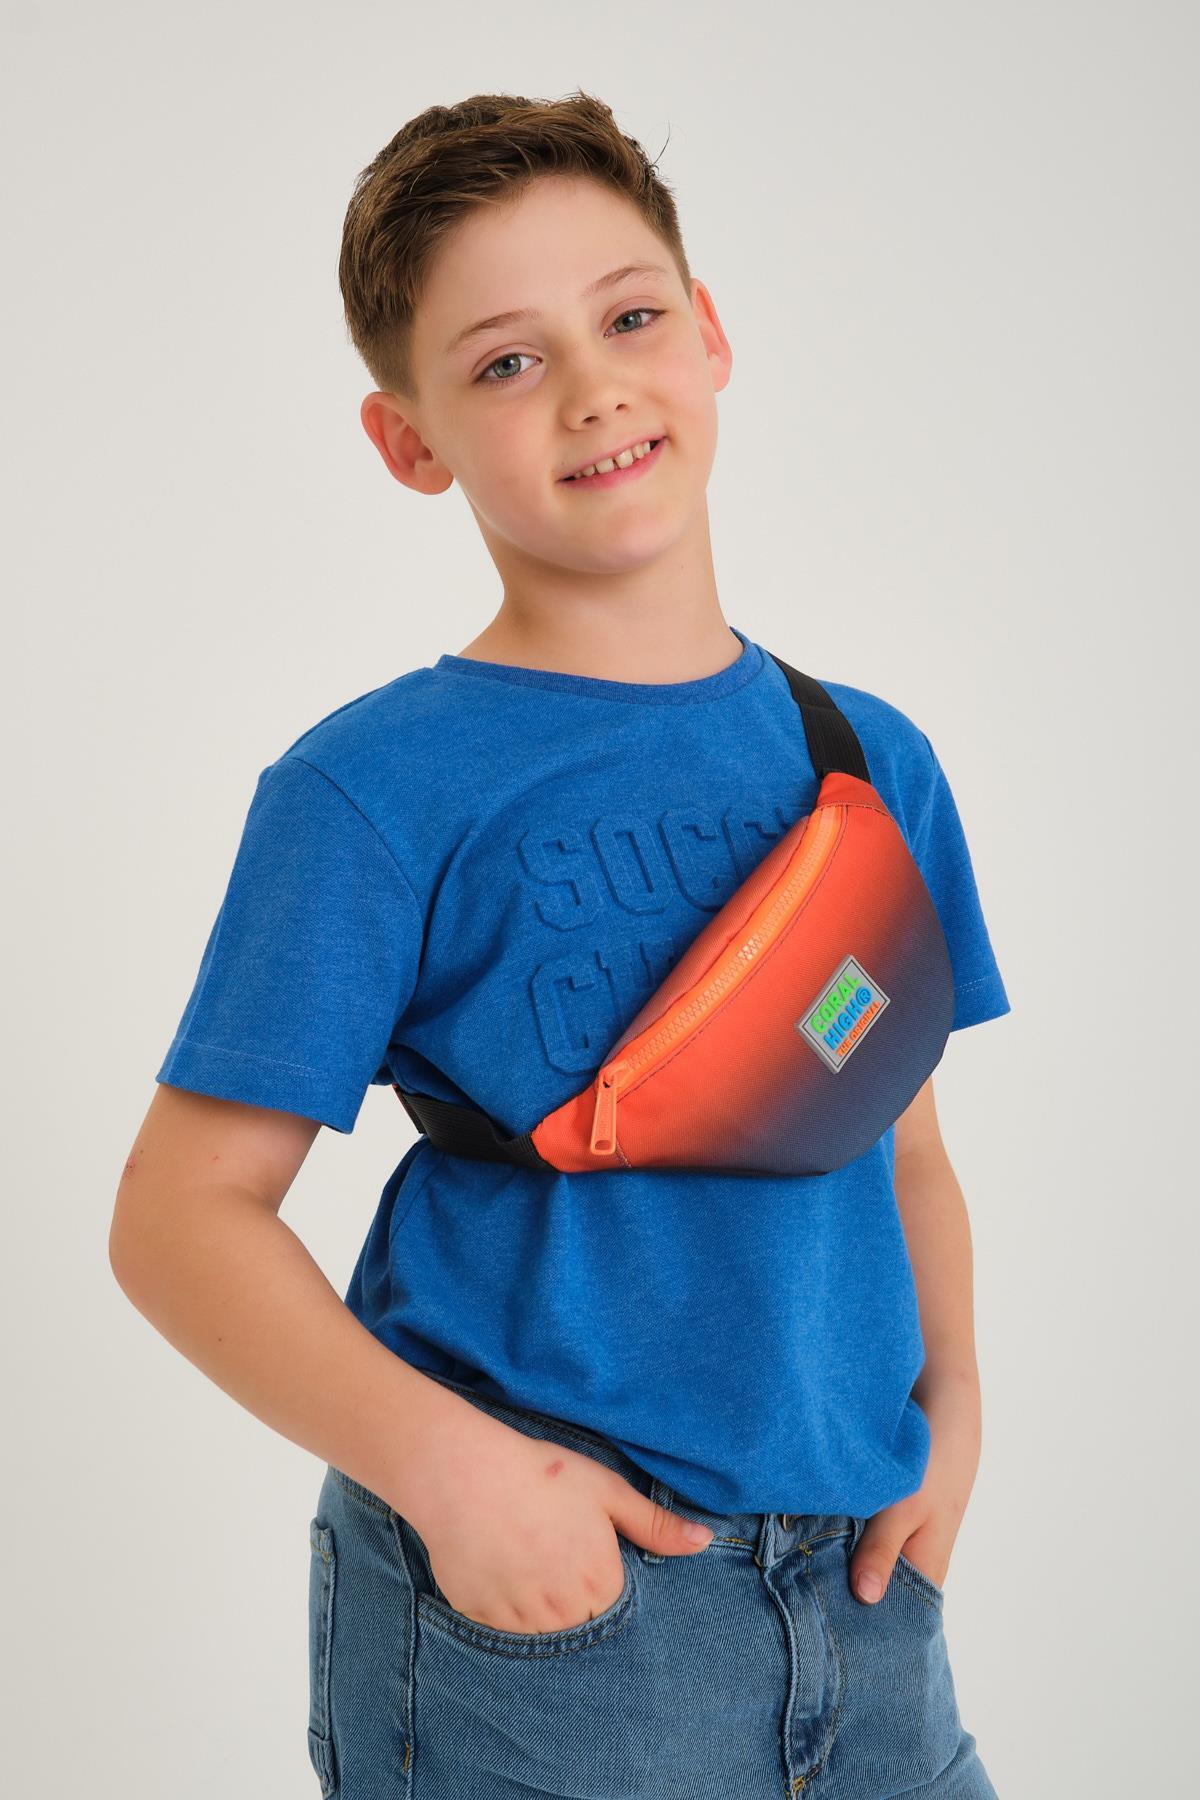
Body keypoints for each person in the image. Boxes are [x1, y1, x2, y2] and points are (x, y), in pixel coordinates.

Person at [110, 89, 1010, 1799]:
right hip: (551, 1623)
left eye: (631, 317)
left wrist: (956, 1412)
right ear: (410, 441)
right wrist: (459, 1481)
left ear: (711, 333)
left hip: (873, 1596)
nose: (594, 388)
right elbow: (177, 1217)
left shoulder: (867, 761)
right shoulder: (373, 789)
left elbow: (904, 1148)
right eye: (509, 361)